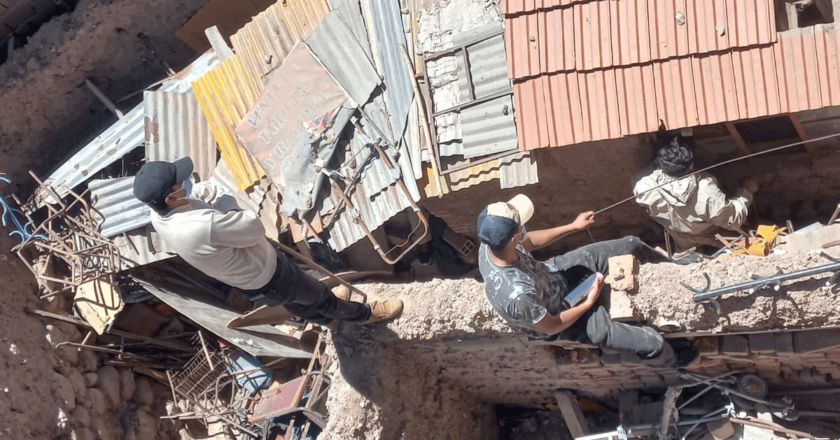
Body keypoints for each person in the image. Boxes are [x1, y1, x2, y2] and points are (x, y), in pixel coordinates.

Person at [132, 157, 402, 327]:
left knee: (295, 302)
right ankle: (364, 315)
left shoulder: (160, 215)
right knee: (318, 296)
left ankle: (327, 320)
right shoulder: (199, 226)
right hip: (270, 274)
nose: (189, 182)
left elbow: (207, 190)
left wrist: (220, 206)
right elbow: (252, 226)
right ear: (170, 198)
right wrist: (227, 207)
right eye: (182, 182)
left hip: (255, 280)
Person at [476, 194, 693, 367]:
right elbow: (551, 326)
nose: (524, 230)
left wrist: (572, 227)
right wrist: (589, 301)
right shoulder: (517, 293)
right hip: (564, 315)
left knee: (631, 244)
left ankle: (674, 268)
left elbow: (529, 240)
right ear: (513, 238)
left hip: (553, 275)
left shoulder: (490, 244)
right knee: (651, 342)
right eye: (520, 228)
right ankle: (680, 361)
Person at [633, 135, 758, 253]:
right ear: (692, 164)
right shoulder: (705, 189)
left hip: (679, 235)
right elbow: (733, 220)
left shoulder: (643, 186)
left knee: (687, 260)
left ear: (662, 163)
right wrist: (746, 192)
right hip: (713, 233)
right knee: (749, 241)